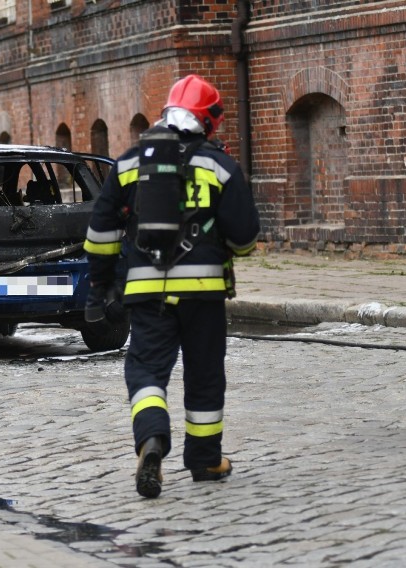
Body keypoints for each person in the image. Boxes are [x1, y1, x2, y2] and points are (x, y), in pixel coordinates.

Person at [83, 75, 260, 498]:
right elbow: (246, 239)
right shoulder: (220, 166)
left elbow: (99, 235)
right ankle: (205, 461)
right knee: (204, 375)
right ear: (209, 122)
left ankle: (151, 441)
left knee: (145, 370)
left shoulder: (128, 164)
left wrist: (100, 289)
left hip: (147, 293)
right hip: (204, 292)